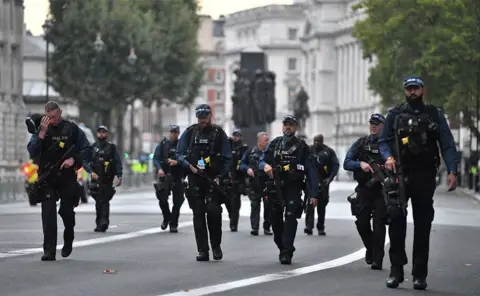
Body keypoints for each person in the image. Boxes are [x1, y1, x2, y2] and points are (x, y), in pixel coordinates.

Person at [379, 76, 458, 290]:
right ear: (404, 91)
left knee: (423, 225)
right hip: (400, 174)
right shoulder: (394, 114)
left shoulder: (434, 114)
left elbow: (447, 144)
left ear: (423, 90)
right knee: (396, 221)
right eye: (409, 89)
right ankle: (396, 271)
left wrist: (452, 170)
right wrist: (388, 157)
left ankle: (419, 275)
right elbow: (384, 140)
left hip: (424, 175)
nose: (412, 92)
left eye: (416, 88)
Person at [27, 101, 92, 261]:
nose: (52, 120)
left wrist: (74, 159)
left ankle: (68, 237)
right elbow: (32, 150)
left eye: (55, 117)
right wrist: (41, 133)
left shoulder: (71, 129)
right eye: (49, 117)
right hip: (47, 177)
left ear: (60, 113)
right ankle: (49, 251)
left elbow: (87, 150)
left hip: (66, 177)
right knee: (48, 214)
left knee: (67, 213)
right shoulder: (41, 129)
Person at [258, 115, 320, 264]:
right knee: (276, 221)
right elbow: (262, 160)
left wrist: (314, 194)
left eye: (291, 125)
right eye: (285, 124)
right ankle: (283, 247)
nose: (287, 127)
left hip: (293, 187)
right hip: (275, 186)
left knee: (291, 217)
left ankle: (286, 251)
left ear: (296, 128)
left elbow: (311, 171)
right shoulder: (275, 143)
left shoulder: (302, 147)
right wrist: (264, 166)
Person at [176, 104, 232, 261]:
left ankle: (216, 247)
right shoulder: (190, 132)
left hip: (213, 179)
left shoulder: (218, 133)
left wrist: (220, 176)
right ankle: (203, 250)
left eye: (205, 117)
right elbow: (179, 154)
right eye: (200, 118)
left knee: (214, 213)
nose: (202, 121)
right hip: (195, 179)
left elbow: (228, 158)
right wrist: (189, 166)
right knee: (198, 215)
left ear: (210, 117)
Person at [343, 113, 387, 270]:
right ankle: (370, 248)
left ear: (383, 125)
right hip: (364, 188)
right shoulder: (361, 143)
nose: (373, 126)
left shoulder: (387, 144)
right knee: (361, 222)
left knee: (379, 224)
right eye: (371, 123)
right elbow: (346, 163)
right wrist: (360, 164)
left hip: (382, 190)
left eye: (377, 123)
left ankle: (377, 258)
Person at [89, 125, 122, 232]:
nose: (101, 134)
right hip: (95, 178)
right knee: (98, 201)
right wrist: (91, 172)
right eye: (99, 132)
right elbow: (87, 162)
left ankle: (104, 222)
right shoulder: (93, 147)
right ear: (97, 134)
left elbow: (117, 162)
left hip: (107, 178)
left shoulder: (111, 147)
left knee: (105, 200)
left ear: (106, 134)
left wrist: (119, 175)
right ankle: (99, 222)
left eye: (103, 132)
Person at [153, 124, 185, 233]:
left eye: (175, 132)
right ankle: (167, 217)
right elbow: (156, 158)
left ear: (178, 133)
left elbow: (188, 159)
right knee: (162, 198)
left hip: (178, 176)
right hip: (165, 175)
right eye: (171, 132)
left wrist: (178, 162)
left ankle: (174, 223)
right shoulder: (163, 144)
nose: (173, 134)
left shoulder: (183, 145)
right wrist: (159, 169)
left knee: (178, 201)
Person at [304, 134, 339, 236]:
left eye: (319, 141)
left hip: (323, 182)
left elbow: (335, 165)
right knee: (310, 204)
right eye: (315, 141)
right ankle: (309, 227)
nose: (316, 143)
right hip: (310, 182)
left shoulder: (329, 152)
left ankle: (320, 227)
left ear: (322, 141)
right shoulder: (309, 150)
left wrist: (329, 178)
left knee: (322, 206)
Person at [239, 131, 272, 236]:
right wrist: (247, 168)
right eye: (266, 140)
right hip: (254, 183)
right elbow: (242, 164)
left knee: (268, 206)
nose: (268, 142)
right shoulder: (251, 152)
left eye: (268, 140)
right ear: (259, 141)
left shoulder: (270, 153)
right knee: (255, 205)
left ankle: (267, 227)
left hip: (267, 183)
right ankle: (255, 228)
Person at [225, 128, 249, 231]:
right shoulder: (229, 145)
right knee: (228, 201)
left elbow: (245, 162)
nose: (235, 137)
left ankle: (234, 224)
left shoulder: (244, 148)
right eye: (234, 135)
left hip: (239, 178)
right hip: (228, 177)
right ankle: (232, 218)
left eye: (237, 135)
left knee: (235, 202)